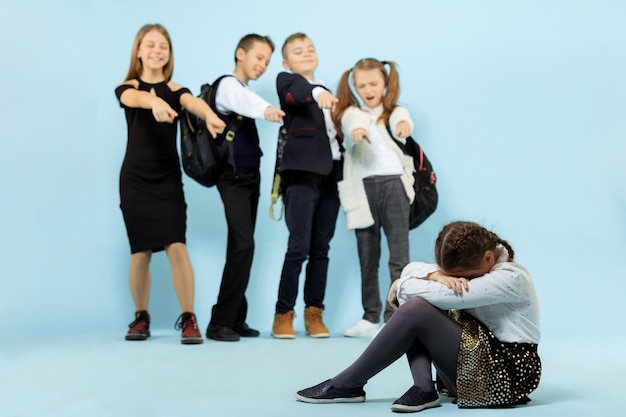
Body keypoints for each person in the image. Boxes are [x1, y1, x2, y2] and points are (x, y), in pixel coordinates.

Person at [295, 221, 541, 412]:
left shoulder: (511, 278)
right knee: (421, 302)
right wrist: (434, 276)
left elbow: (445, 296)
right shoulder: (481, 263)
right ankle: (423, 387)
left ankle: (348, 383)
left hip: (504, 377)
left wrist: (400, 285)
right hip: (475, 365)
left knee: (417, 307)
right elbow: (413, 267)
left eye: (465, 276)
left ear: (488, 258)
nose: (461, 281)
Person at [115, 23, 226, 344]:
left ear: (169, 54)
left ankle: (189, 318)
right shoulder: (128, 87)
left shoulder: (176, 90)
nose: (156, 50)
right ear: (138, 51)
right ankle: (141, 317)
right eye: (150, 44)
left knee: (177, 245)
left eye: (163, 45)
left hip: (167, 180)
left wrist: (210, 116)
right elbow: (134, 98)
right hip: (134, 180)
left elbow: (193, 103)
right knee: (140, 252)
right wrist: (154, 103)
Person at [204, 34, 285, 342]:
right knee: (243, 245)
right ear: (240, 53)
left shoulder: (243, 89)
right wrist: (267, 111)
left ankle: (235, 317)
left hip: (249, 175)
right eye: (258, 57)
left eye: (266, 60)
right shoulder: (228, 85)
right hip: (233, 177)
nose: (262, 65)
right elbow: (245, 102)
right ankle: (219, 322)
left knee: (240, 246)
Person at [333, 58, 415, 338]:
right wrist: (357, 130)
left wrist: (404, 124)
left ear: (385, 84)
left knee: (399, 258)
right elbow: (350, 122)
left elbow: (401, 119)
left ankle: (396, 318)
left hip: (394, 185)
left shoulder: (394, 111)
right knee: (367, 257)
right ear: (354, 87)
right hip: (363, 189)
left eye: (374, 84)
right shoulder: (351, 113)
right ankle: (369, 317)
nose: (368, 89)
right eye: (361, 85)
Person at [271, 33, 343, 339]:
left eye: (310, 49)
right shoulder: (289, 82)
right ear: (287, 61)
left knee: (321, 248)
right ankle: (282, 314)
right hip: (301, 174)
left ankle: (314, 312)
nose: (307, 53)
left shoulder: (329, 89)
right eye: (298, 51)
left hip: (334, 174)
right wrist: (317, 92)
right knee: (298, 246)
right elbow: (298, 92)